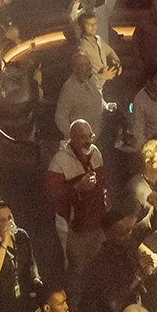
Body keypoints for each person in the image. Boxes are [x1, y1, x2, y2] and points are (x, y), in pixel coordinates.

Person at [46, 121, 109, 301]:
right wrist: (77, 188)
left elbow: (104, 184)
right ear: (71, 137)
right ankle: (72, 309)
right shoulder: (59, 162)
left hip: (97, 225)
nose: (88, 141)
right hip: (75, 230)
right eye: (83, 137)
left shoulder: (96, 153)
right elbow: (53, 197)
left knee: (96, 268)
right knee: (77, 272)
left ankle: (93, 305)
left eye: (90, 136)